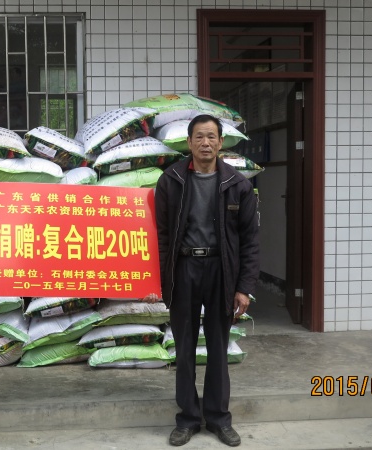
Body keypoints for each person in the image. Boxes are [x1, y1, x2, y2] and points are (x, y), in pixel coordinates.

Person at [143, 114, 259, 447]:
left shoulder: (237, 184)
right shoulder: (172, 180)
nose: (205, 143)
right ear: (189, 142)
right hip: (184, 269)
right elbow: (161, 236)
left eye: (211, 137)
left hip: (221, 271)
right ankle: (188, 419)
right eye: (199, 137)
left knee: (218, 348)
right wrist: (161, 280)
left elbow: (250, 241)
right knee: (184, 348)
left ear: (221, 142)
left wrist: (244, 287)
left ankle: (219, 419)